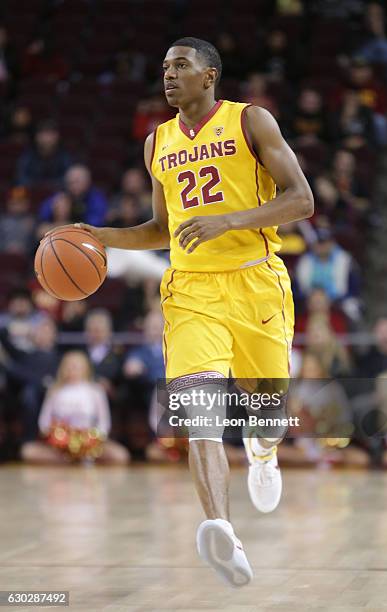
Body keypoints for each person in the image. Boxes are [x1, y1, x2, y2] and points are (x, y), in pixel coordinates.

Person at [53, 37, 314, 587]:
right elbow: (161, 230)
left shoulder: (251, 122)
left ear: (210, 75)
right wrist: (96, 236)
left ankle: (263, 451)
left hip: (256, 283)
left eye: (181, 66)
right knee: (200, 415)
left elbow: (301, 199)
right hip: (191, 290)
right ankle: (220, 527)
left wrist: (230, 220)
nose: (168, 75)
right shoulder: (157, 144)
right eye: (164, 67)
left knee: (268, 413)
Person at [21, 351, 130, 465]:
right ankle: (70, 459)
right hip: (59, 444)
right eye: (69, 365)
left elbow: (104, 422)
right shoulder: (55, 390)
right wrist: (59, 439)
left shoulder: (96, 390)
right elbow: (44, 422)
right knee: (28, 451)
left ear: (86, 368)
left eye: (76, 365)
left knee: (120, 455)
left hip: (90, 440)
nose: (72, 369)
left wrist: (91, 441)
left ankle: (83, 457)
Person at [39, 164, 107, 226]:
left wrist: (67, 225)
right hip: (62, 230)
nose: (73, 186)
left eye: (77, 182)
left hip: (87, 235)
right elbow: (44, 213)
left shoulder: (95, 198)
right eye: (70, 182)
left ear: (87, 181)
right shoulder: (63, 195)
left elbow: (95, 224)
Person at [16, 119, 72, 187]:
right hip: (31, 193)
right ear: (37, 137)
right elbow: (21, 178)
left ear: (57, 137)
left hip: (58, 195)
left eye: (50, 134)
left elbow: (68, 179)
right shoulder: (28, 156)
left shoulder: (65, 156)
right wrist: (38, 186)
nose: (47, 139)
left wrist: (49, 185)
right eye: (43, 134)